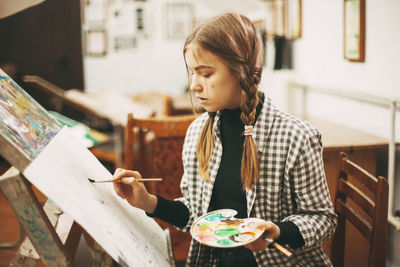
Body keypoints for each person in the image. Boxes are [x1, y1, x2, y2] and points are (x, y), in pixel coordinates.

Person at [113, 12, 337, 267]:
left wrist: (278, 231)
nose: (195, 85)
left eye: (206, 74)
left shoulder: (297, 137)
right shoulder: (198, 132)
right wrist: (146, 201)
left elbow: (323, 220)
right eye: (192, 73)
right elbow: (197, 216)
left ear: (241, 71)